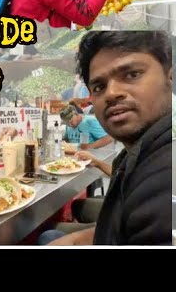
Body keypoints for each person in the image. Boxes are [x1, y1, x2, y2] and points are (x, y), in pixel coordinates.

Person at [42, 31, 172, 245]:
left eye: (132, 74)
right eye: (99, 86)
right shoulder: (135, 154)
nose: (111, 93)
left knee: (49, 234)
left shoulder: (163, 175)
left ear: (169, 77)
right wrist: (76, 240)